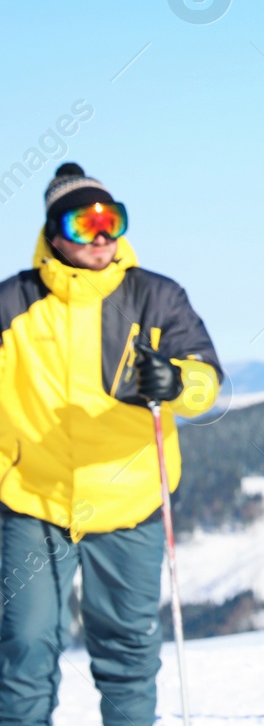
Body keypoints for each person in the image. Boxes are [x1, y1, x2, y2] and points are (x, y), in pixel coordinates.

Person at [0, 163, 222, 726]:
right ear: (54, 235)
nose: (101, 235)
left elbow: (205, 380)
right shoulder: (12, 305)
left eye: (110, 220)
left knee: (126, 652)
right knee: (24, 650)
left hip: (129, 502)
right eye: (84, 223)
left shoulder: (156, 297)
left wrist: (175, 383)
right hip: (34, 502)